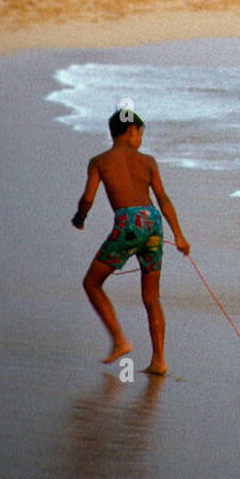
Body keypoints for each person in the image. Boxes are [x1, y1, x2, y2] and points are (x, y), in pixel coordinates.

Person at [72, 109, 190, 375]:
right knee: (151, 296)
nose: (141, 141)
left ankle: (120, 340)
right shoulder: (148, 161)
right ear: (131, 131)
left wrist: (80, 218)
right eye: (141, 134)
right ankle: (159, 360)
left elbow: (88, 198)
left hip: (129, 221)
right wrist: (179, 236)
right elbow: (164, 199)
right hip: (153, 220)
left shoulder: (100, 161)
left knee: (91, 283)